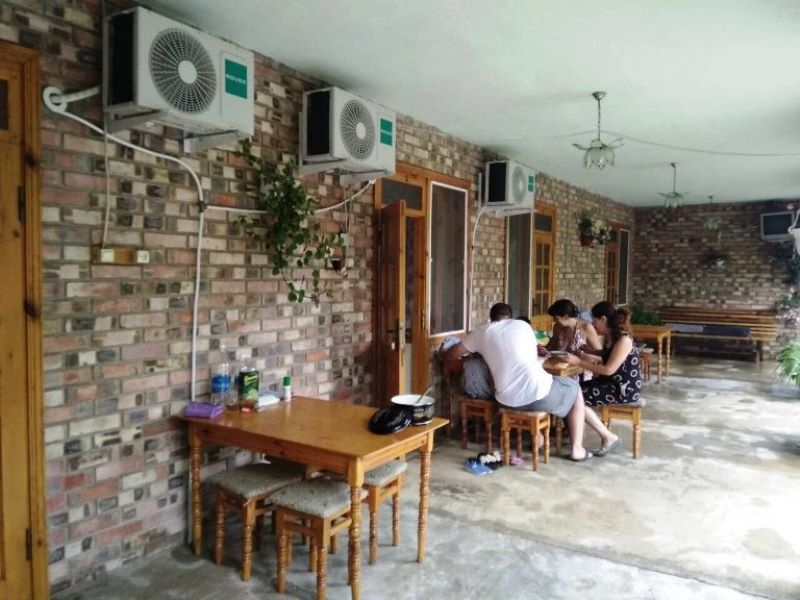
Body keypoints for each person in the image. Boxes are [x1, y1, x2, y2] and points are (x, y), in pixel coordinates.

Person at [444, 302, 618, 461]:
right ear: (510, 317)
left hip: (505, 401)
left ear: (491, 318)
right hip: (539, 395)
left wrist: (443, 354)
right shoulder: (522, 326)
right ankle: (577, 449)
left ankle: (539, 438)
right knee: (574, 389)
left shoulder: (481, 332)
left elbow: (452, 353)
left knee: (534, 391)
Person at [565, 301, 643, 454]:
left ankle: (608, 436)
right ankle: (574, 432)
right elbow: (608, 354)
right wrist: (590, 351)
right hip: (610, 383)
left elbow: (608, 369)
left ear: (603, 319)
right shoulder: (610, 337)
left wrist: (579, 362)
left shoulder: (624, 340)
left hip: (622, 389)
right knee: (571, 390)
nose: (593, 325)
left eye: (595, 321)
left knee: (574, 396)